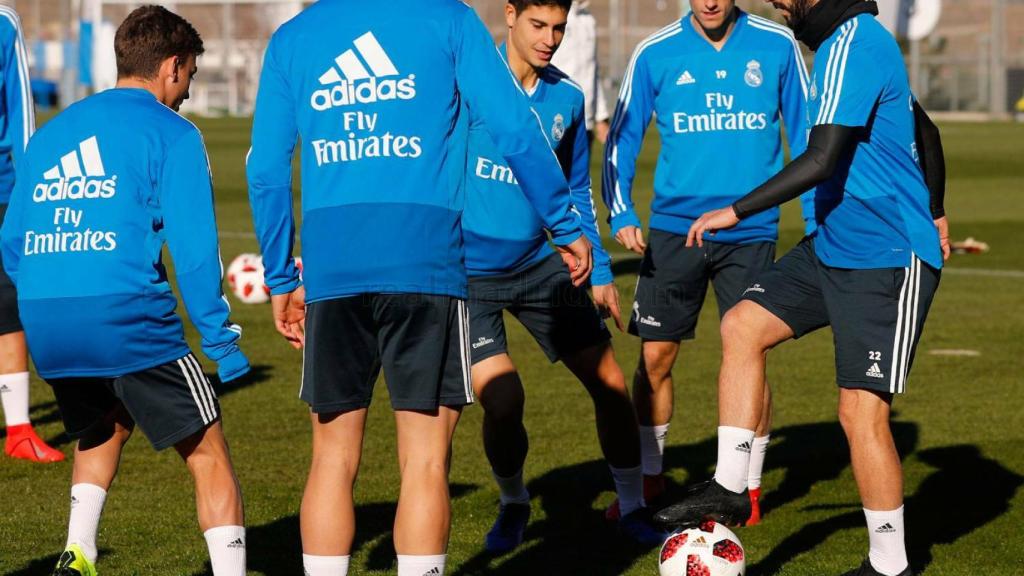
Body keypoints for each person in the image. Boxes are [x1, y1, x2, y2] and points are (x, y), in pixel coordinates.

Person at [246, 1, 591, 574]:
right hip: (427, 262)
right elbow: (513, 125)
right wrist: (564, 220)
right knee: (426, 461)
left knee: (332, 458)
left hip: (334, 267)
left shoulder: (294, 37)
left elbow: (266, 168)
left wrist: (282, 275)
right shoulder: (449, 20)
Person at [653, 1, 950, 575]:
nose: (777, 2)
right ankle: (731, 485)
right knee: (742, 323)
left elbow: (821, 157)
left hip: (886, 257)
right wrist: (937, 207)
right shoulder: (840, 45)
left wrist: (734, 211)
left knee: (860, 412)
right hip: (834, 246)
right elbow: (924, 126)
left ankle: (891, 565)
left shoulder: (854, 41)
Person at [0, 6, 251, 576]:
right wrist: (223, 345)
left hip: (46, 320)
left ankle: (78, 553)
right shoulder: (173, 132)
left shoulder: (54, 132)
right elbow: (194, 252)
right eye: (188, 77)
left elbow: (12, 243)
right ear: (171, 66)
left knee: (104, 422)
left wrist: (54, 290)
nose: (187, 92)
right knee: (209, 451)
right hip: (124, 315)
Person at [464, 0, 664, 553]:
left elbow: (576, 193)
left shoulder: (568, 99)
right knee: (503, 402)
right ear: (509, 15)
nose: (550, 38)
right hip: (468, 276)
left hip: (538, 266)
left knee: (611, 384)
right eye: (538, 25)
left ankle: (631, 507)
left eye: (559, 27)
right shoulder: (469, 85)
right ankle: (513, 503)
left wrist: (599, 269)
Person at [601, 0, 811, 524]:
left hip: (751, 227)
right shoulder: (655, 51)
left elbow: (808, 134)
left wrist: (815, 219)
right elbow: (623, 135)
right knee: (655, 358)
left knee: (750, 352)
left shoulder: (777, 44)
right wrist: (621, 207)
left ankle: (749, 489)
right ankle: (651, 479)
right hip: (674, 232)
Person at [0, 3, 63, 463]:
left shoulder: (3, 22)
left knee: (7, 304)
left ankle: (19, 429)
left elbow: (21, 114)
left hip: (2, 189)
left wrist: (29, 194)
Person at [550, 0, 611, 144]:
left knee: (581, 167)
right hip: (557, 116)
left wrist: (601, 116)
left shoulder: (588, 20)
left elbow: (593, 70)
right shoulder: (553, 14)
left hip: (586, 120)